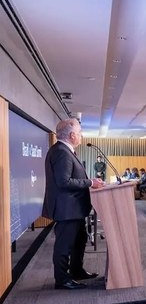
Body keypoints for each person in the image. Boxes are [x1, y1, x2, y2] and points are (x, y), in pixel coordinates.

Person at [42, 118, 104, 290]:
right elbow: (64, 182)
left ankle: (76, 271)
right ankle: (62, 280)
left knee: (79, 240)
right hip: (67, 209)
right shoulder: (61, 152)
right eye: (79, 133)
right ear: (71, 135)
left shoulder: (64, 150)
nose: (81, 136)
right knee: (64, 245)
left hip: (73, 208)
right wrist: (90, 183)